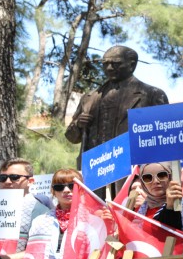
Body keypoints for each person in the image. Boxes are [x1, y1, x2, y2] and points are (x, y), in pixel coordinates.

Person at [65, 45, 168, 175]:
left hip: (134, 170)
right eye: (105, 64)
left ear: (132, 65)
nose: (109, 68)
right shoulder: (89, 98)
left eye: (116, 64)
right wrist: (78, 124)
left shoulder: (152, 95)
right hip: (95, 170)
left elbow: (164, 140)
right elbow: (71, 137)